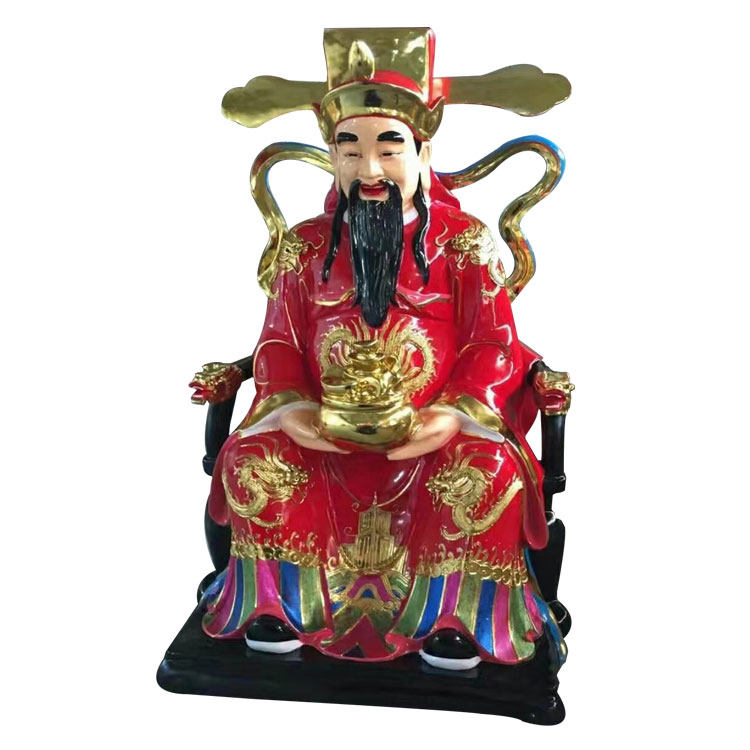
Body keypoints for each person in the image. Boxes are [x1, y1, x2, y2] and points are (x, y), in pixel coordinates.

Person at [191, 27, 570, 669]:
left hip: (434, 428)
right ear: (333, 156)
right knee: (256, 460)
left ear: (421, 153)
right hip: (324, 427)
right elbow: (279, 341)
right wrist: (291, 409)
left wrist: (449, 414)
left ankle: (455, 617)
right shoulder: (305, 247)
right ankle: (282, 607)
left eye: (388, 150)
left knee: (484, 472)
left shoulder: (463, 243)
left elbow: (494, 343)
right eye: (350, 151)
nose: (368, 171)